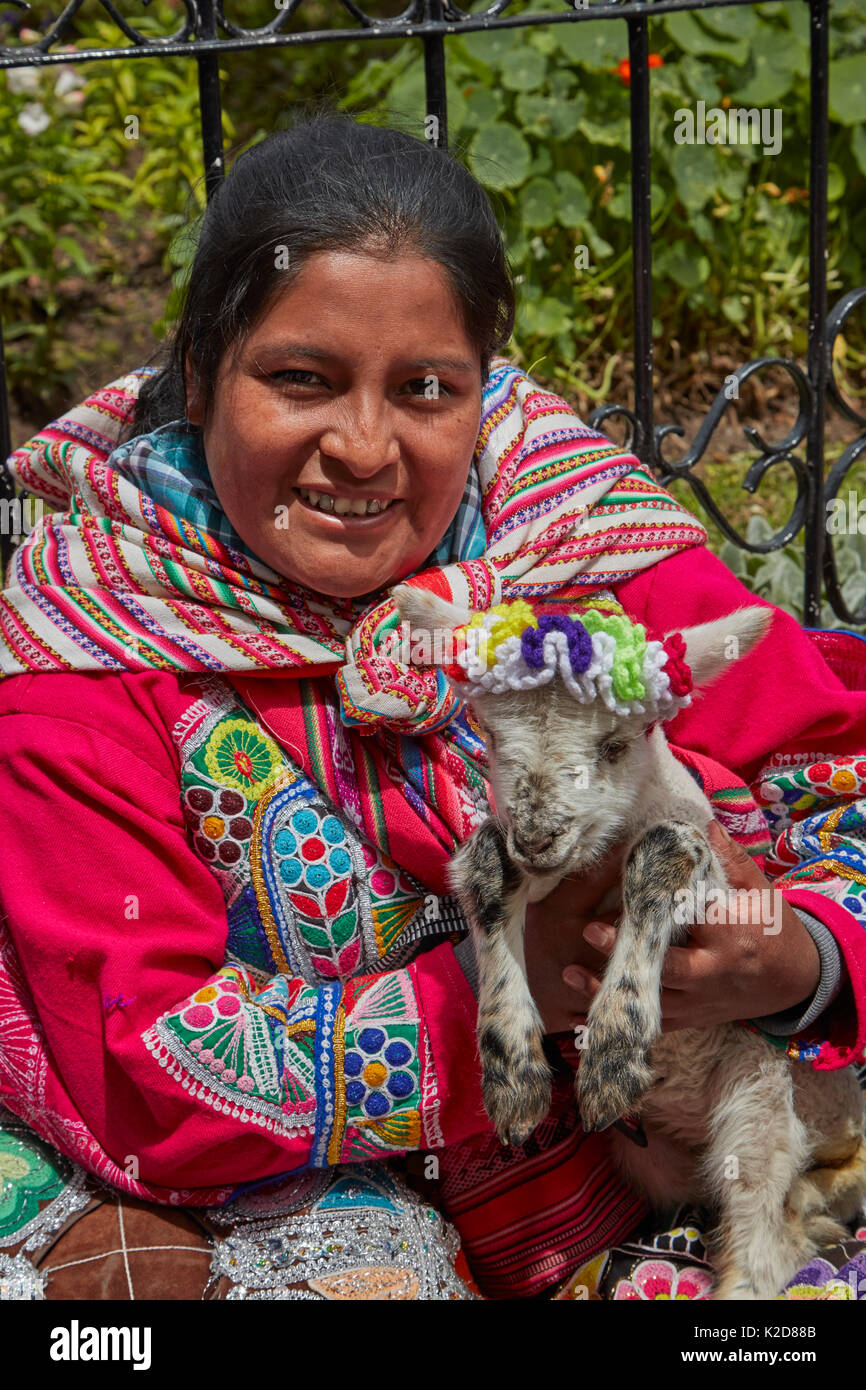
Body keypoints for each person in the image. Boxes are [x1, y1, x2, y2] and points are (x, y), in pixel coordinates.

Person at [1, 109, 865, 1303]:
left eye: (424, 389)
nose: (363, 447)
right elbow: (149, 1059)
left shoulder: (573, 537)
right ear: (201, 376)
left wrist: (805, 957)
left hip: (730, 1133)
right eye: (298, 379)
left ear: (484, 386)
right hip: (321, 1200)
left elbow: (829, 777)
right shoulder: (91, 655)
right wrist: (506, 983)